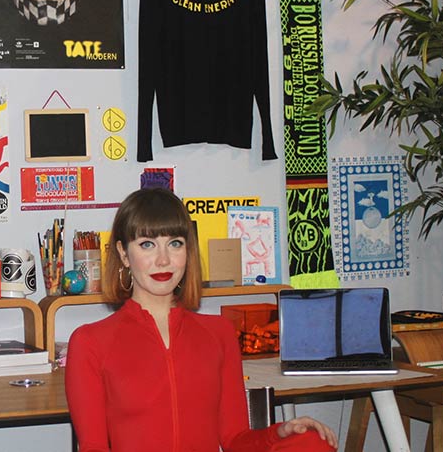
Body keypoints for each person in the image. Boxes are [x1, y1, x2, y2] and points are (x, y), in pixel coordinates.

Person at [65, 188, 337, 451]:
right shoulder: (90, 341)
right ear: (124, 253)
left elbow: (236, 440)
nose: (163, 260)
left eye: (175, 244)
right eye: (147, 244)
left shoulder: (218, 333)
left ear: (188, 251)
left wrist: (279, 433)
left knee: (315, 443)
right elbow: (94, 448)